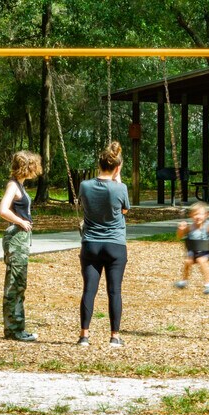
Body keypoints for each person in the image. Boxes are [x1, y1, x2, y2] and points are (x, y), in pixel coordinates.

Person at [77, 141, 130, 347]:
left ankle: (84, 335)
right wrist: (118, 177)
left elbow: (88, 205)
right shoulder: (120, 188)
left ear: (98, 165)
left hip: (91, 243)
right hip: (115, 245)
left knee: (89, 289)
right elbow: (124, 210)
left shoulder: (84, 186)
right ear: (117, 167)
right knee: (114, 290)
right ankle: (115, 336)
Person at [0, 150, 43, 342]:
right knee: (15, 284)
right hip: (16, 240)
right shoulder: (13, 186)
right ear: (26, 167)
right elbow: (2, 210)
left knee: (19, 283)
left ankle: (16, 327)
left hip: (21, 240)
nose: (35, 170)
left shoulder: (20, 186)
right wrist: (20, 222)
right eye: (33, 166)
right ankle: (14, 329)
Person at [174, 201, 209, 295]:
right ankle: (184, 281)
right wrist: (180, 230)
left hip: (205, 251)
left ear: (206, 215)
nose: (198, 216)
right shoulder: (190, 227)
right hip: (193, 250)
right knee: (187, 262)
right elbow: (179, 236)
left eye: (200, 214)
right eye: (195, 214)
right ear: (191, 215)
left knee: (201, 261)